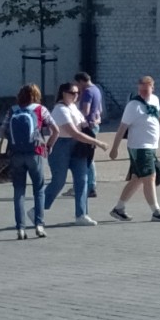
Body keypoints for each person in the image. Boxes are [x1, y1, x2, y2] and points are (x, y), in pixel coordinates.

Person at [42, 81, 108, 226]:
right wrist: (98, 143)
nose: (76, 96)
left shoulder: (73, 107)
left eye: (78, 93)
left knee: (82, 179)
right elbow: (74, 132)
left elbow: (82, 125)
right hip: (61, 146)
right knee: (58, 181)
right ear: (63, 93)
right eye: (72, 93)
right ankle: (38, 209)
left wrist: (93, 122)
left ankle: (81, 214)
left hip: (77, 147)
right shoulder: (59, 110)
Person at [107, 75, 160, 223]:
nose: (143, 93)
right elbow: (122, 128)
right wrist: (114, 148)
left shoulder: (154, 99)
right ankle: (156, 211)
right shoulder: (133, 105)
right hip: (140, 147)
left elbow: (153, 112)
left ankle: (119, 208)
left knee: (137, 178)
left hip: (151, 146)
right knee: (150, 177)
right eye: (140, 90)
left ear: (152, 88)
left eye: (146, 90)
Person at [0, 83, 56, 239]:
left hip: (16, 154)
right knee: (38, 190)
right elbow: (55, 130)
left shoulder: (13, 110)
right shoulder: (40, 109)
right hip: (35, 153)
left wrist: (14, 141)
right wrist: (49, 145)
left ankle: (20, 228)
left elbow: (2, 130)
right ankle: (39, 225)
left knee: (19, 192)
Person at [74, 72, 104, 200]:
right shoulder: (96, 89)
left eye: (77, 83)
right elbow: (100, 110)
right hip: (94, 125)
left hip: (87, 127)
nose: (77, 87)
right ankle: (88, 184)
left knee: (86, 157)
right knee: (88, 156)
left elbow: (85, 111)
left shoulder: (87, 92)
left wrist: (73, 114)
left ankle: (90, 185)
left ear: (81, 81)